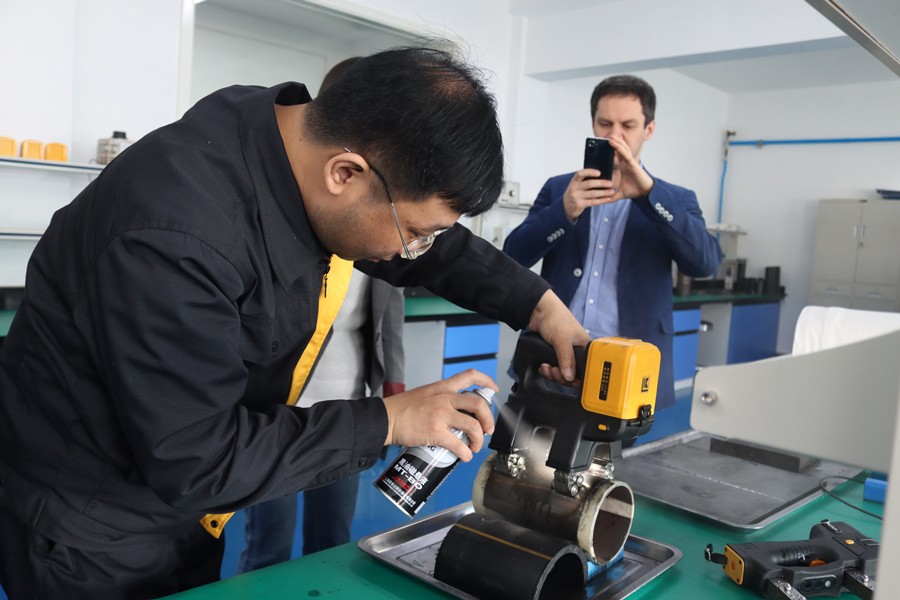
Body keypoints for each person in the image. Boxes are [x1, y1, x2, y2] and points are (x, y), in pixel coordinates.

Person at [0, 45, 588, 599]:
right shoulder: (176, 240)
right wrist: (389, 420)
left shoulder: (287, 141)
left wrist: (538, 305)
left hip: (177, 509)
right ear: (345, 174)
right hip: (91, 529)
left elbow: (428, 240)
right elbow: (198, 458)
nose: (413, 251)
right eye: (413, 233)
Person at [235, 56, 406, 573]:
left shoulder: (380, 226)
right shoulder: (281, 222)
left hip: (351, 408)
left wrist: (393, 390)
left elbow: (389, 322)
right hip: (278, 416)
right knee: (268, 546)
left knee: (331, 541)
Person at [503, 74, 722, 411]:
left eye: (628, 125)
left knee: (615, 447)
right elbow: (513, 257)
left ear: (648, 129)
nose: (614, 136)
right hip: (552, 355)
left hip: (628, 364)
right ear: (593, 124)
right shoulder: (560, 188)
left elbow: (704, 263)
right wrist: (564, 210)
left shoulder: (674, 199)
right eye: (605, 124)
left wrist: (650, 196)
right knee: (530, 443)